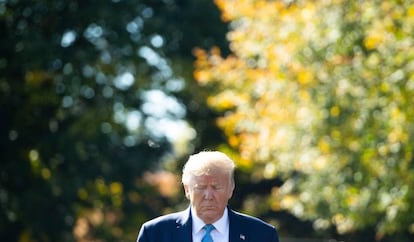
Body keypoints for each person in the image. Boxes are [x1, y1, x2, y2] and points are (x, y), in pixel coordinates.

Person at [136, 150, 279, 242]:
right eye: (201, 188)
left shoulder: (262, 235)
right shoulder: (155, 234)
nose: (209, 196)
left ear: (231, 189)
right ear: (187, 189)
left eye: (216, 187)